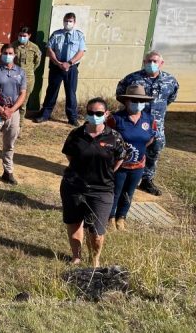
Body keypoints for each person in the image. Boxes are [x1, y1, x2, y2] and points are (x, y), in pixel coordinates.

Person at [60, 98, 125, 267]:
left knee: (96, 232)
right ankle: (76, 256)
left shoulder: (115, 137)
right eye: (90, 113)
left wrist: (103, 173)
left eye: (98, 113)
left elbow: (118, 160)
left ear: (106, 114)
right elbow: (70, 156)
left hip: (102, 190)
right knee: (74, 224)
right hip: (74, 187)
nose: (94, 116)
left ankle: (95, 259)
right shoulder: (76, 134)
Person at [115, 50, 179, 196]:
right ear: (144, 62)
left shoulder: (170, 80)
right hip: (133, 122)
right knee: (126, 148)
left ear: (161, 63)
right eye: (148, 61)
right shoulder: (132, 78)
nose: (151, 64)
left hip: (156, 124)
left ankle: (147, 180)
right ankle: (121, 174)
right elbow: (120, 94)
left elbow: (171, 98)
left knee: (154, 151)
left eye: (155, 61)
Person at [106, 85, 156, 231]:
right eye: (134, 100)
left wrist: (137, 149)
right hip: (119, 165)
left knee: (129, 192)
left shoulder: (149, 119)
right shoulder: (116, 119)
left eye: (141, 100)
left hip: (138, 165)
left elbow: (150, 139)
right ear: (127, 101)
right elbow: (107, 138)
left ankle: (122, 217)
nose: (138, 103)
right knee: (115, 191)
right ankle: (110, 217)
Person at [0, 44, 27, 185]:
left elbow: (23, 93)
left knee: (10, 144)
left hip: (13, 113)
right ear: (1, 54)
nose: (8, 55)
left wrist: (12, 109)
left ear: (14, 55)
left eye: (10, 53)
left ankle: (7, 172)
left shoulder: (21, 72)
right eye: (5, 53)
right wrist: (0, 109)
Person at [35, 13, 86, 125]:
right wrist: (58, 63)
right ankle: (45, 115)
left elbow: (81, 52)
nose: (68, 23)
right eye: (66, 20)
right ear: (63, 21)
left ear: (74, 22)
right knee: (52, 91)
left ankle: (72, 118)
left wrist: (69, 63)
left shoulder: (79, 36)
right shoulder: (56, 34)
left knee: (71, 93)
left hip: (71, 68)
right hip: (56, 67)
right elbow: (49, 49)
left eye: (70, 21)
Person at [11, 26, 42, 122]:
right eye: (20, 35)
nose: (21, 37)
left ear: (29, 35)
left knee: (23, 102)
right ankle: (11, 122)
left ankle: (20, 124)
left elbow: (37, 62)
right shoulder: (13, 46)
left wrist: (29, 71)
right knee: (12, 100)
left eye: (24, 35)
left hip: (28, 78)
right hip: (14, 76)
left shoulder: (34, 47)